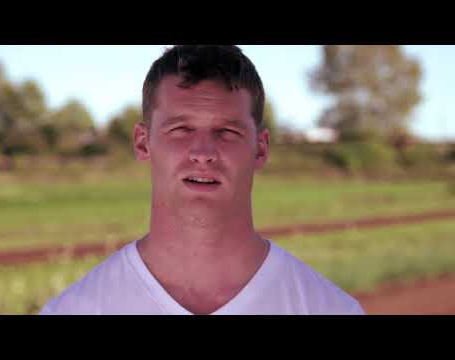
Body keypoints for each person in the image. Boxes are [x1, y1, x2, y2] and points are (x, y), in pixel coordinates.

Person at [39, 45, 365, 315]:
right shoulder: (74, 310)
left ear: (260, 149)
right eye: (181, 130)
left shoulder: (330, 309)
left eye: (227, 132)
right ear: (143, 142)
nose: (203, 152)